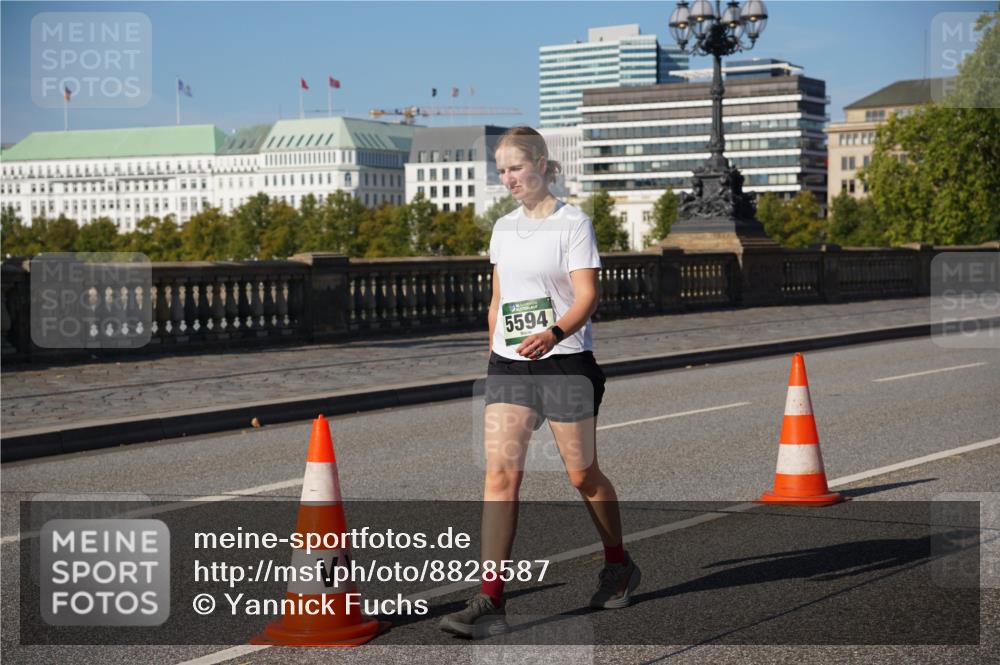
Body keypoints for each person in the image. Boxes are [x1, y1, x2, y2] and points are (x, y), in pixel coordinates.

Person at [438, 127, 639, 638]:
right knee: (500, 475)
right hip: (510, 366)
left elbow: (587, 296)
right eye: (502, 170)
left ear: (542, 165)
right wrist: (494, 352)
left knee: (582, 476)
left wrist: (553, 334)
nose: (508, 178)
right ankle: (490, 598)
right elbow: (499, 299)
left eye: (516, 168)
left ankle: (618, 564)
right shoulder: (503, 228)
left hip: (564, 360)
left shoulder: (573, 223)